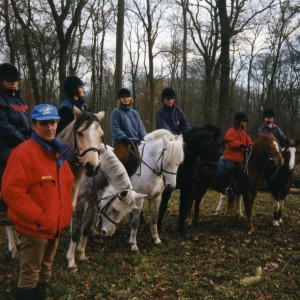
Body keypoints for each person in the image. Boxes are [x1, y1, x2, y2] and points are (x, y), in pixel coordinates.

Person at [2, 104, 74, 300]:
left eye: (52, 122)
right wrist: (40, 218)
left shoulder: (59, 152)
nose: (49, 127)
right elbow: (12, 193)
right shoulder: (22, 153)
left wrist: (62, 217)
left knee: (45, 269)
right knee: (30, 274)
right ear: (33, 125)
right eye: (43, 123)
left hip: (54, 226)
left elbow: (66, 186)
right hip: (35, 228)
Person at [0, 62, 31, 224]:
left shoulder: (20, 101)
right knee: (13, 162)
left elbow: (29, 122)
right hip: (5, 144)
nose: (13, 83)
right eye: (9, 80)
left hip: (23, 142)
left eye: (15, 80)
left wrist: (35, 137)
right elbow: (4, 126)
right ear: (2, 82)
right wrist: (23, 141)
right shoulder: (1, 100)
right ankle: (4, 206)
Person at [110, 88, 147, 176]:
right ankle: (118, 178)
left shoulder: (135, 113)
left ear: (130, 98)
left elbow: (141, 129)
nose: (126, 99)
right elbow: (115, 129)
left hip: (136, 142)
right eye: (123, 97)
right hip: (122, 142)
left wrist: (147, 139)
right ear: (119, 100)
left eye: (127, 97)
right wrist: (124, 138)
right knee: (123, 157)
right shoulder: (116, 112)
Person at [218, 112, 253, 195]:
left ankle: (236, 185)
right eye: (243, 121)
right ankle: (225, 186)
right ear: (238, 122)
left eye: (245, 122)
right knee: (230, 167)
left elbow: (249, 141)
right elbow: (230, 142)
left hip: (240, 157)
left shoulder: (244, 133)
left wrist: (251, 145)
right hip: (230, 156)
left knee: (241, 169)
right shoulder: (231, 131)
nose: (245, 123)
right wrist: (241, 145)